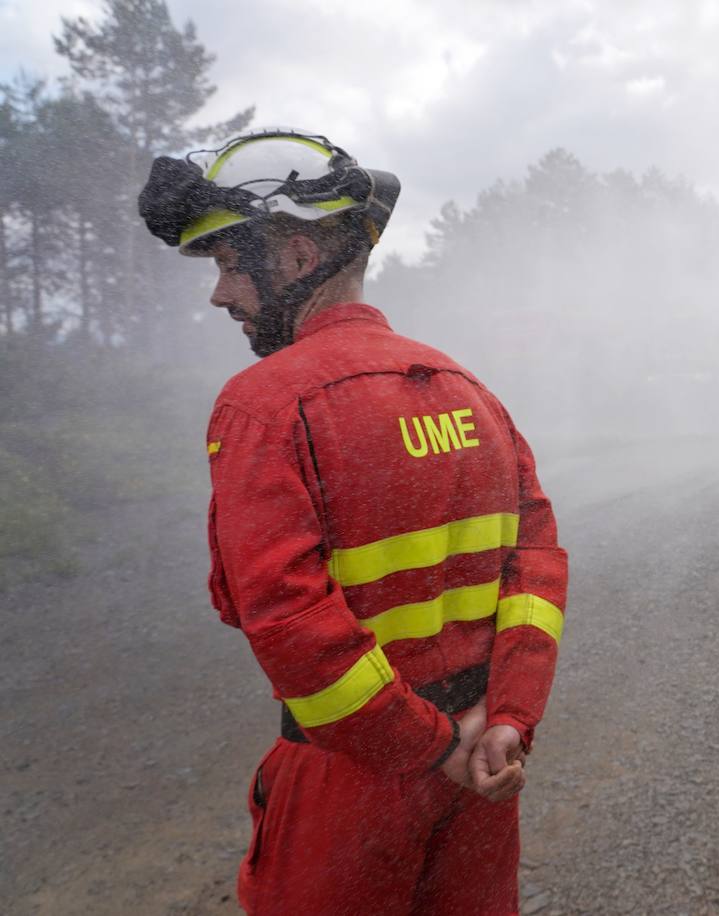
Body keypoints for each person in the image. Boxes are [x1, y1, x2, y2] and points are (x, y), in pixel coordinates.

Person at [138, 129, 569, 914]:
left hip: (353, 777)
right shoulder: (468, 389)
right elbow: (535, 572)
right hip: (481, 770)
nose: (220, 294)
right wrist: (504, 721)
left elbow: (285, 622)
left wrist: (429, 748)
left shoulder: (264, 404)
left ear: (300, 258)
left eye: (232, 265)